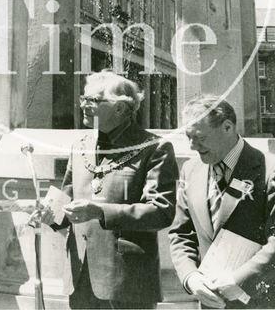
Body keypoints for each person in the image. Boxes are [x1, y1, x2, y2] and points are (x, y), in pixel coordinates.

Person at [40, 70, 179, 309]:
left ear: (120, 108)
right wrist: (49, 214)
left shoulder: (154, 148)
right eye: (83, 99)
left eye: (93, 100)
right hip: (80, 276)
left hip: (127, 282)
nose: (84, 105)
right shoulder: (80, 146)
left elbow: (161, 212)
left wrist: (100, 212)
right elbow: (67, 200)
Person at [168, 96, 275, 309]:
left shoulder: (274, 169)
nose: (193, 146)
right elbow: (181, 234)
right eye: (188, 137)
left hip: (267, 302)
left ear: (227, 127)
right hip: (213, 302)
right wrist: (191, 278)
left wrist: (240, 281)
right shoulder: (190, 170)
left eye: (200, 137)